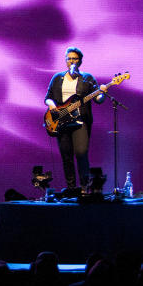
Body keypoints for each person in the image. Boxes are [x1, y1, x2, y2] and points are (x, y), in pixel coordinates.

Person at [45, 47, 107, 192]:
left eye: (75, 59)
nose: (71, 61)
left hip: (80, 121)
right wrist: (53, 106)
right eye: (69, 58)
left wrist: (102, 92)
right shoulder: (57, 78)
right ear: (65, 60)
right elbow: (48, 98)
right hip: (61, 121)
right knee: (66, 156)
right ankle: (71, 188)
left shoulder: (87, 78)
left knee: (81, 153)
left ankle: (85, 188)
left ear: (80, 61)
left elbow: (98, 99)